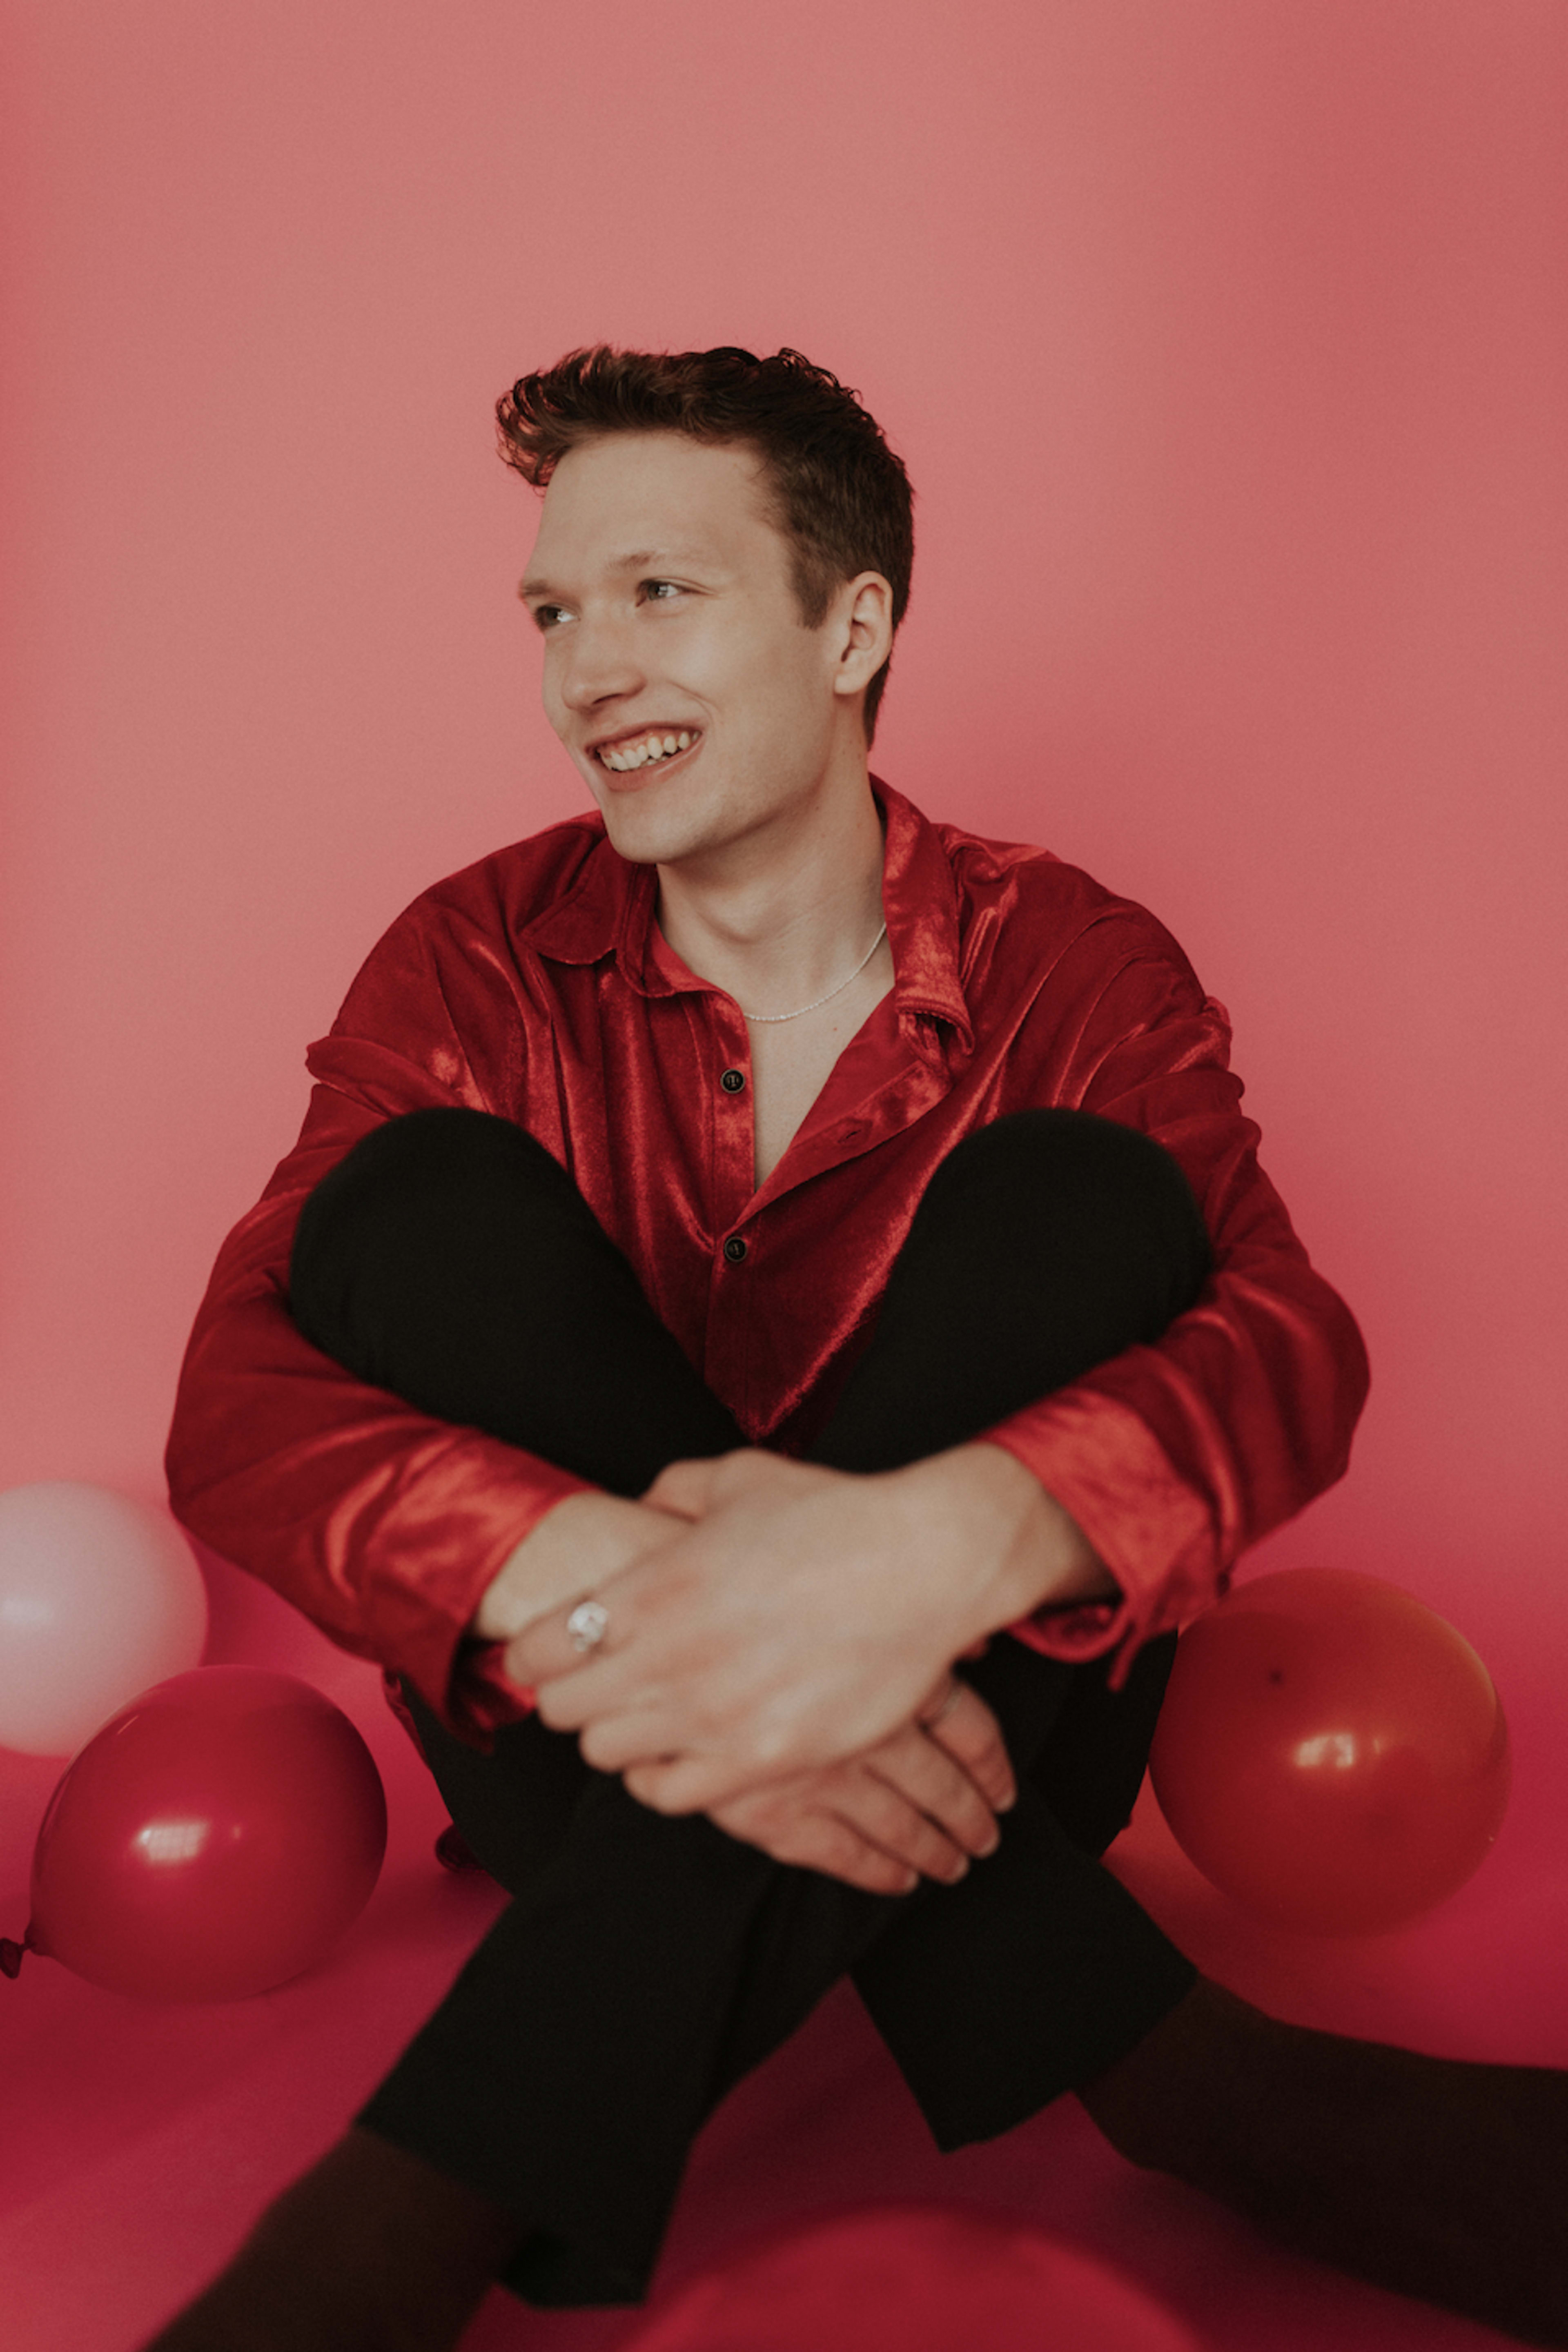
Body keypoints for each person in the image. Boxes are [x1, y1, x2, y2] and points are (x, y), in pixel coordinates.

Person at [149, 346, 1565, 2352]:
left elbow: (1287, 1339)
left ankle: (418, 2196)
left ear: (854, 623)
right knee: (413, 1213)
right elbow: (234, 1392)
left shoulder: (1065, 954)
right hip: (582, 1719)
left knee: (1087, 1202)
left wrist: (946, 1547)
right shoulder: (469, 954)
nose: (588, 669)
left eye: (661, 591)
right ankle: (1174, 2071)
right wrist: (592, 1579)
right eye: (556, 612)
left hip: (1011, 1712)